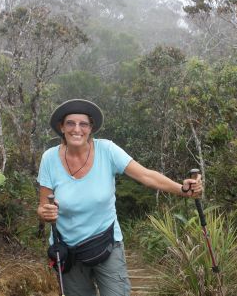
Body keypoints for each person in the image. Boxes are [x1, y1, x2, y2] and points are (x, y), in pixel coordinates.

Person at [37, 99, 202, 296]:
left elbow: (146, 175)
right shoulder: (49, 158)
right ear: (61, 127)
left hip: (107, 244)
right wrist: (46, 213)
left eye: (83, 124)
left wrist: (182, 189)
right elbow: (42, 207)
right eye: (70, 123)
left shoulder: (107, 150)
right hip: (68, 249)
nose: (77, 129)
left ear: (91, 128)